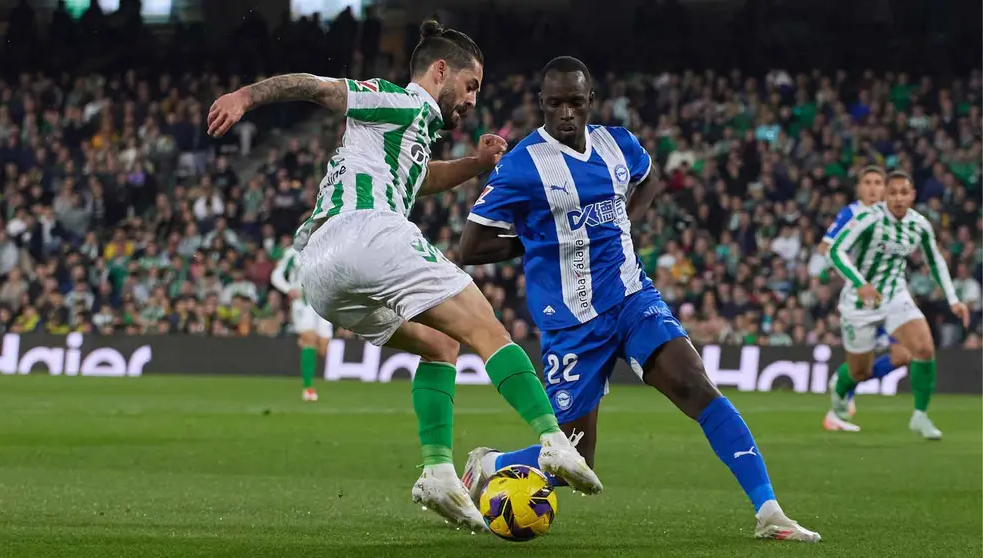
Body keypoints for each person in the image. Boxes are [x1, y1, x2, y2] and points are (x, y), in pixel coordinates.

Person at [206, 21, 599, 531]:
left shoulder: (406, 134)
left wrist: (477, 163)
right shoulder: (401, 101)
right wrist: (246, 96)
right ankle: (552, 442)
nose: (473, 101)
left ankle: (437, 472)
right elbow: (319, 88)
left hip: (323, 273)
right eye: (471, 85)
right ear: (440, 71)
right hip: (364, 232)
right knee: (486, 328)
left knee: (441, 345)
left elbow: (419, 179)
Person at [457, 56, 820, 542]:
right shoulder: (523, 165)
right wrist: (545, 238)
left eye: (575, 102)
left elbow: (647, 178)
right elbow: (472, 246)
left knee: (696, 385)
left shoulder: (617, 144)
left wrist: (627, 219)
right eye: (556, 103)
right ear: (542, 105)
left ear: (591, 103)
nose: (566, 112)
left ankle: (769, 511)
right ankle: (492, 464)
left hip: (632, 297)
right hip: (571, 323)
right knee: (575, 458)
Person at [823, 171, 970, 438]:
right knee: (860, 370)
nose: (899, 198)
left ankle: (920, 416)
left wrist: (953, 299)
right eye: (893, 193)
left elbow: (934, 260)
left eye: (904, 192)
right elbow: (835, 251)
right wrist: (859, 282)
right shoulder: (868, 219)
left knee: (923, 348)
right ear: (885, 196)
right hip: (860, 302)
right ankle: (839, 387)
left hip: (894, 296)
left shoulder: (919, 224)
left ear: (913, 195)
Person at [817, 166, 912, 427]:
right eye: (867, 182)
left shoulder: (895, 216)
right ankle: (840, 404)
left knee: (903, 355)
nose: (873, 188)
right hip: (863, 299)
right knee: (864, 361)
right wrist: (856, 277)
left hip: (890, 296)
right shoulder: (852, 213)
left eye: (878, 183)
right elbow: (826, 246)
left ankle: (843, 384)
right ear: (859, 188)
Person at [271, 245, 332, 401]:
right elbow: (276, 276)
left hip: (324, 301)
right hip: (303, 301)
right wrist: (288, 289)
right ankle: (308, 387)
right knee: (309, 339)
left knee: (323, 347)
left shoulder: (330, 249)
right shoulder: (292, 253)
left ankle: (305, 349)